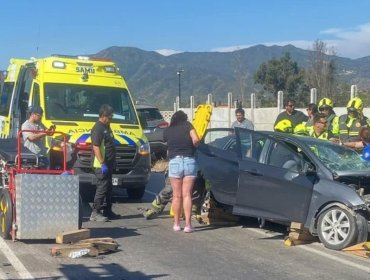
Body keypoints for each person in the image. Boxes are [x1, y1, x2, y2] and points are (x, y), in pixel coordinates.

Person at [164, 110, 199, 233]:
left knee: (176, 196)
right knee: (187, 195)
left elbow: (165, 141)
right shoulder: (188, 125)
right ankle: (188, 225)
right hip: (189, 161)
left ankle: (177, 224)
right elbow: (196, 139)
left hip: (175, 162)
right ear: (184, 118)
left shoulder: (169, 129)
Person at [90, 104, 119, 222]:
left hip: (109, 163)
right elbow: (96, 147)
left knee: (108, 188)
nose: (111, 119)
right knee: (102, 188)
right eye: (110, 117)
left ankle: (107, 210)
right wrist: (102, 163)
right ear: (103, 116)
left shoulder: (107, 127)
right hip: (100, 164)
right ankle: (95, 212)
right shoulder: (98, 128)